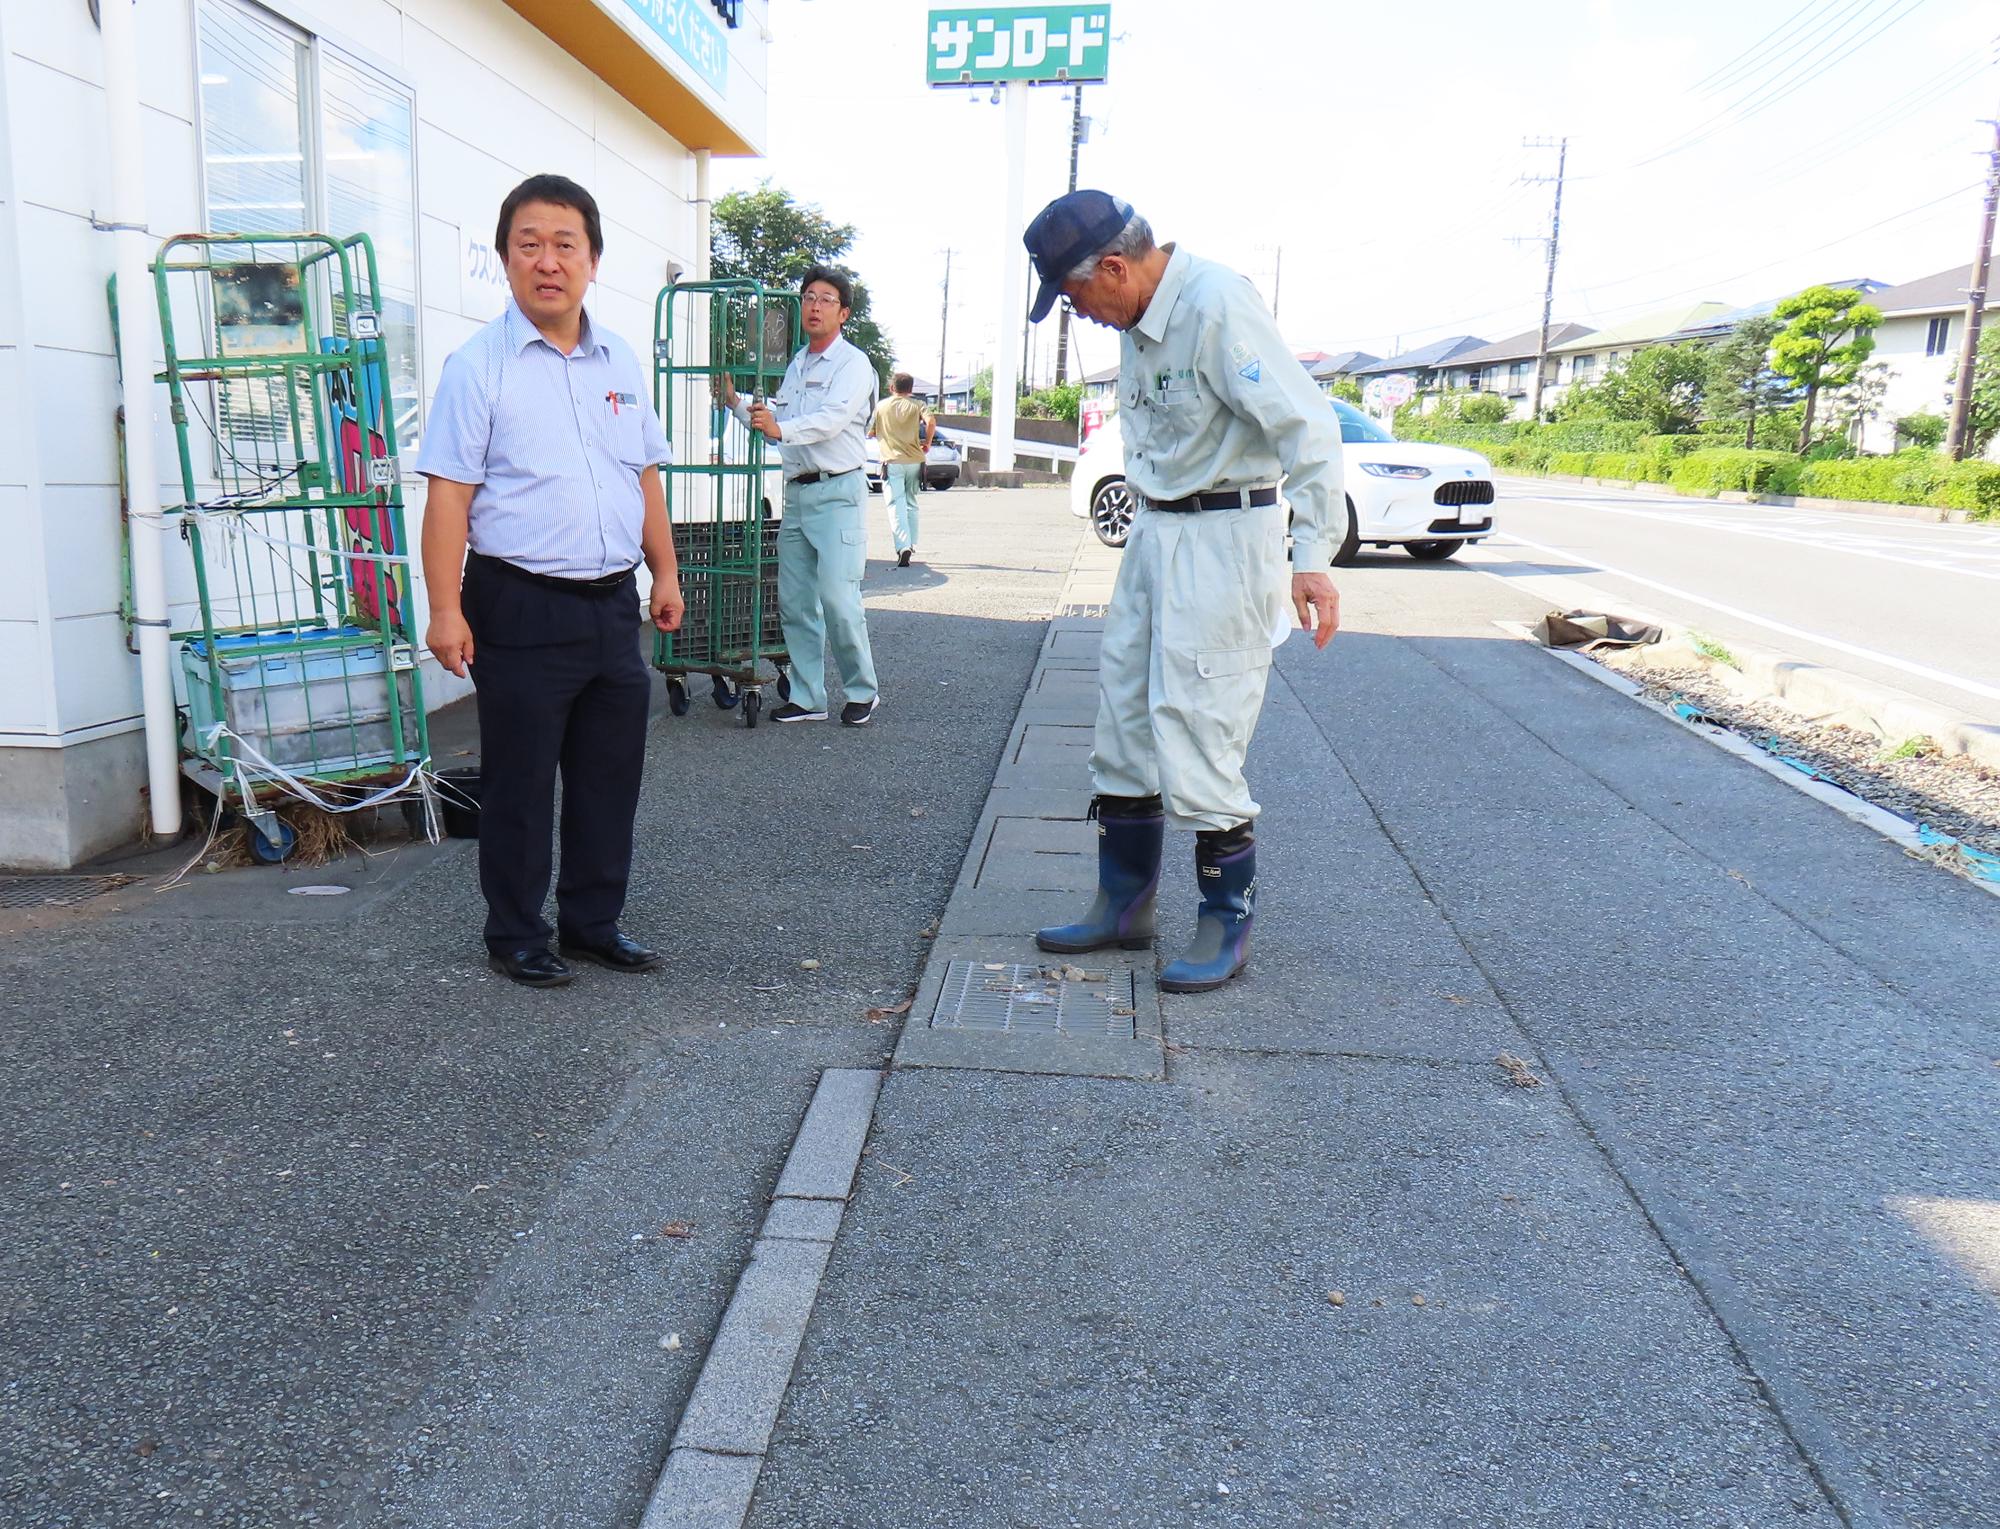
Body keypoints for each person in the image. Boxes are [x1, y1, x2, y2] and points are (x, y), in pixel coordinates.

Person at [1021, 190, 1343, 993]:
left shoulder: (1215, 304)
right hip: (1155, 535)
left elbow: (1308, 428)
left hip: (1223, 540)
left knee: (1199, 726)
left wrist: (1311, 556)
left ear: (1117, 268)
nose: (1080, 314)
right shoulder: (1136, 316)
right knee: (1125, 714)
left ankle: (1225, 922)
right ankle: (1123, 905)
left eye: (1075, 296)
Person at [416, 173, 684, 990]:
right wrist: (444, 609)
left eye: (564, 244)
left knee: (610, 775)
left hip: (610, 603)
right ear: (504, 260)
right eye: (528, 244)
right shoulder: (478, 367)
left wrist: (664, 571)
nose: (547, 260)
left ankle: (594, 922)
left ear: (593, 260)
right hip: (519, 601)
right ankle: (517, 933)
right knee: (521, 782)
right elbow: (448, 496)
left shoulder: (621, 359)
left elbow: (642, 474)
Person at [716, 267, 881, 725]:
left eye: (826, 299)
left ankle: (862, 690)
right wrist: (735, 402)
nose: (814, 306)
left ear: (844, 313)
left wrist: (779, 426)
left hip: (839, 492)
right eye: (808, 297)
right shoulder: (798, 364)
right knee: (795, 599)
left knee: (838, 597)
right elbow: (775, 429)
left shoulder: (854, 365)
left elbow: (828, 421)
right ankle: (809, 697)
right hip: (798, 494)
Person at [870, 372, 934, 567]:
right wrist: (928, 442)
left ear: (892, 388)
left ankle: (903, 546)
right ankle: (912, 543)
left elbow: (870, 431)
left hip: (892, 462)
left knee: (895, 505)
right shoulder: (918, 405)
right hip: (915, 460)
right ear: (911, 389)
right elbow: (931, 422)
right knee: (911, 502)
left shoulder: (881, 406)